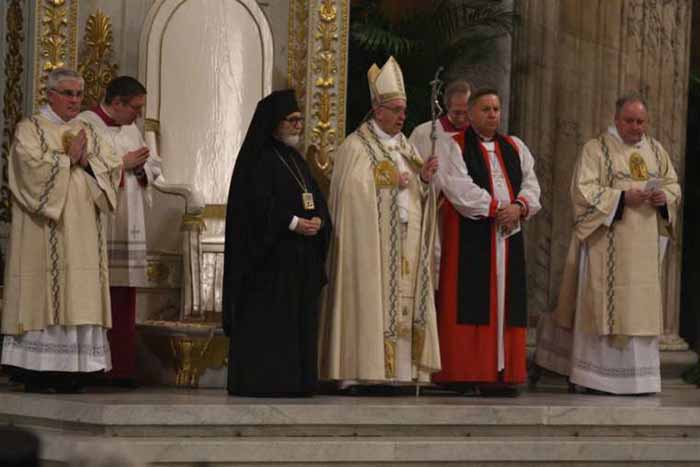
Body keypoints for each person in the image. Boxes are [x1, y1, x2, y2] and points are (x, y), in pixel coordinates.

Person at [533, 93, 681, 395]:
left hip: (644, 246)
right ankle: (597, 378)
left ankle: (640, 379)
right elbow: (582, 191)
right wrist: (622, 198)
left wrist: (664, 198)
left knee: (640, 307)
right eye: (629, 121)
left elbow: (672, 184)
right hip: (607, 243)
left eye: (641, 121)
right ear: (616, 120)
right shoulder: (596, 148)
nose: (636, 127)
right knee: (603, 305)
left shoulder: (655, 149)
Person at [318, 56, 441, 392]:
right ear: (377, 109)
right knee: (369, 303)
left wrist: (423, 181)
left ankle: (401, 372)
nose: (402, 116)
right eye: (396, 109)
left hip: (405, 243)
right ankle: (361, 369)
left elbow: (417, 193)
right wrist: (388, 181)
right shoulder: (355, 147)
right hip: (371, 246)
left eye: (404, 110)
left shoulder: (406, 147)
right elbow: (350, 196)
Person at [1, 68, 121, 392]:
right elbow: (26, 170)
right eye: (68, 93)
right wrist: (65, 161)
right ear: (50, 94)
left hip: (83, 233)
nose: (75, 100)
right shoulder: (31, 129)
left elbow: (112, 167)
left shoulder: (88, 130)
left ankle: (74, 370)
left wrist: (87, 163)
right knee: (46, 295)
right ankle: (39, 371)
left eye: (79, 94)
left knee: (78, 295)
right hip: (45, 231)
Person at [222, 89, 331, 397]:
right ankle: (267, 382)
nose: (298, 125)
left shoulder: (296, 159)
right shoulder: (258, 160)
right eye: (292, 120)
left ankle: (297, 382)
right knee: (270, 324)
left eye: (300, 120)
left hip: (299, 259)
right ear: (274, 123)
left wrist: (320, 221)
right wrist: (293, 223)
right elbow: (254, 206)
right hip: (268, 263)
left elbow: (316, 198)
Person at [433, 88, 541, 396]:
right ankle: (468, 372)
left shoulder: (515, 146)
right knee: (472, 300)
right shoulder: (453, 145)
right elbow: (457, 188)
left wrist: (519, 207)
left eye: (496, 109)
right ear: (470, 113)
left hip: (509, 235)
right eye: (485, 109)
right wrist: (496, 209)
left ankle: (503, 374)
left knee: (507, 302)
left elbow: (532, 183)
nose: (492, 114)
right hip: (474, 233)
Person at [79, 76, 160, 387]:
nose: (137, 116)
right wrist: (122, 164)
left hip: (130, 219)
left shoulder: (130, 129)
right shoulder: (86, 124)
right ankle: (97, 368)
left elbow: (152, 167)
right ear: (116, 103)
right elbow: (83, 169)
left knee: (125, 295)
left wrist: (140, 169)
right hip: (103, 220)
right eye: (134, 108)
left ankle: (122, 368)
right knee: (99, 294)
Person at [409, 80, 472, 160]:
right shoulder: (422, 133)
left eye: (466, 112)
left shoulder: (480, 134)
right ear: (447, 107)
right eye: (456, 113)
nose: (461, 119)